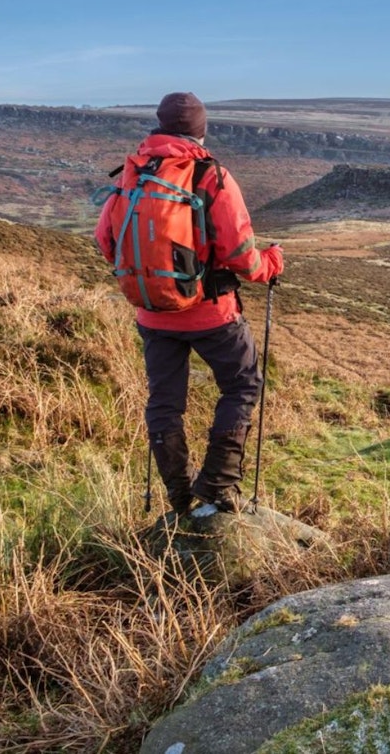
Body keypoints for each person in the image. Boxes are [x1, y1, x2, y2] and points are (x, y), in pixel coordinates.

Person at [93, 91, 284, 515]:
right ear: (201, 130)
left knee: (165, 403)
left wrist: (151, 276)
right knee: (242, 384)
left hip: (153, 314)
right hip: (212, 313)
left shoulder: (132, 175)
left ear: (158, 127)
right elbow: (239, 254)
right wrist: (270, 263)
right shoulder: (210, 176)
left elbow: (106, 241)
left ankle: (178, 495)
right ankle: (215, 487)